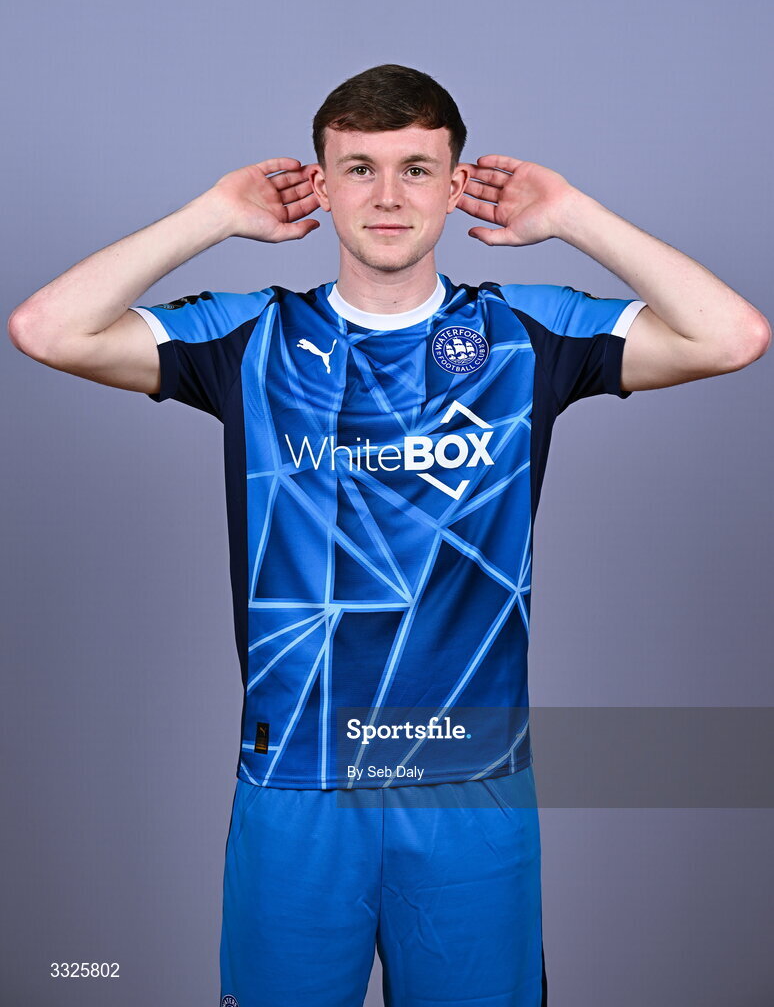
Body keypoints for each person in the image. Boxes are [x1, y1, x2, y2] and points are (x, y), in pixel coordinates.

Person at [8, 63, 770, 1007]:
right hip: (295, 779)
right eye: (358, 168)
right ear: (320, 186)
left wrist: (571, 212)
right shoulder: (254, 340)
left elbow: (731, 336)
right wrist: (212, 212)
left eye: (416, 167)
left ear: (456, 186)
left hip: (469, 778)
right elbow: (46, 328)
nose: (387, 195)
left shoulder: (523, 333)